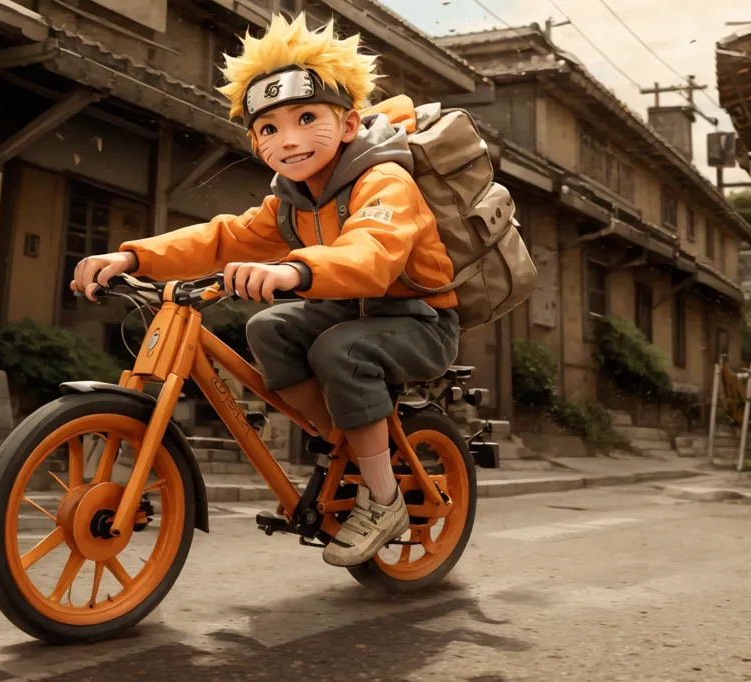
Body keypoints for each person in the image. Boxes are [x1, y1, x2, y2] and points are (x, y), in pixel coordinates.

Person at [69, 13, 459, 568]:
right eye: (270, 129)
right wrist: (132, 255)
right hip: (343, 310)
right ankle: (350, 441)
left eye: (306, 118)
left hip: (419, 320)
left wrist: (294, 271)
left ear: (348, 125)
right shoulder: (292, 202)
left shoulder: (386, 180)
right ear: (256, 141)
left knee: (339, 350)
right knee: (269, 327)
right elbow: (223, 237)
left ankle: (384, 499)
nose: (289, 139)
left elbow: (372, 254)